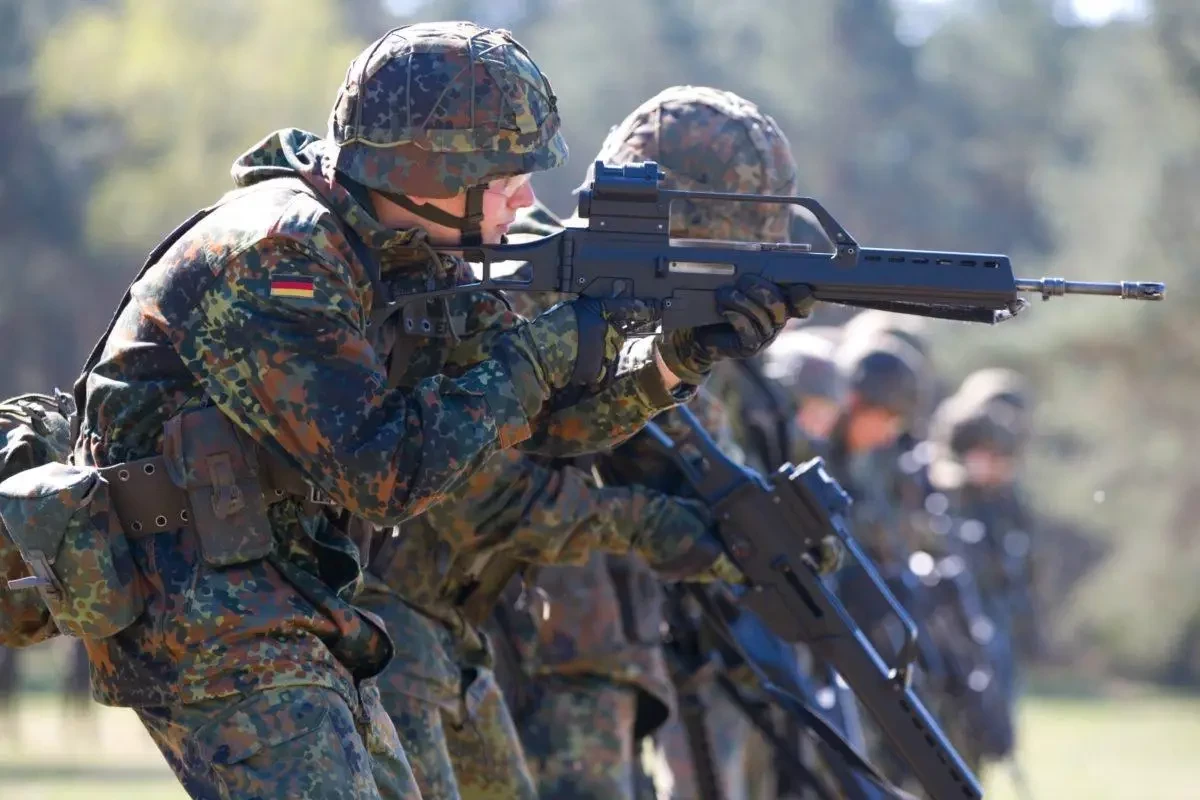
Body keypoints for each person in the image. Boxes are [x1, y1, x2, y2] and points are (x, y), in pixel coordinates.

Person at [45, 21, 796, 799]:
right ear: (431, 169)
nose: (527, 200)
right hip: (202, 604)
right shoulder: (279, 255)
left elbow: (538, 428)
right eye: (507, 177)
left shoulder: (406, 250)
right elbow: (388, 476)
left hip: (297, 596)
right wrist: (546, 348)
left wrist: (674, 360)